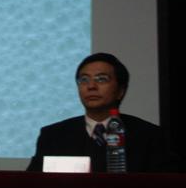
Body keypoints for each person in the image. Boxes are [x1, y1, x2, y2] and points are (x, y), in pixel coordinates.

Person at [27, 52, 179, 172]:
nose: (91, 86)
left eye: (101, 79)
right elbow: (32, 186)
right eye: (84, 80)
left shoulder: (149, 136)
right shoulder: (53, 136)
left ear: (120, 91)